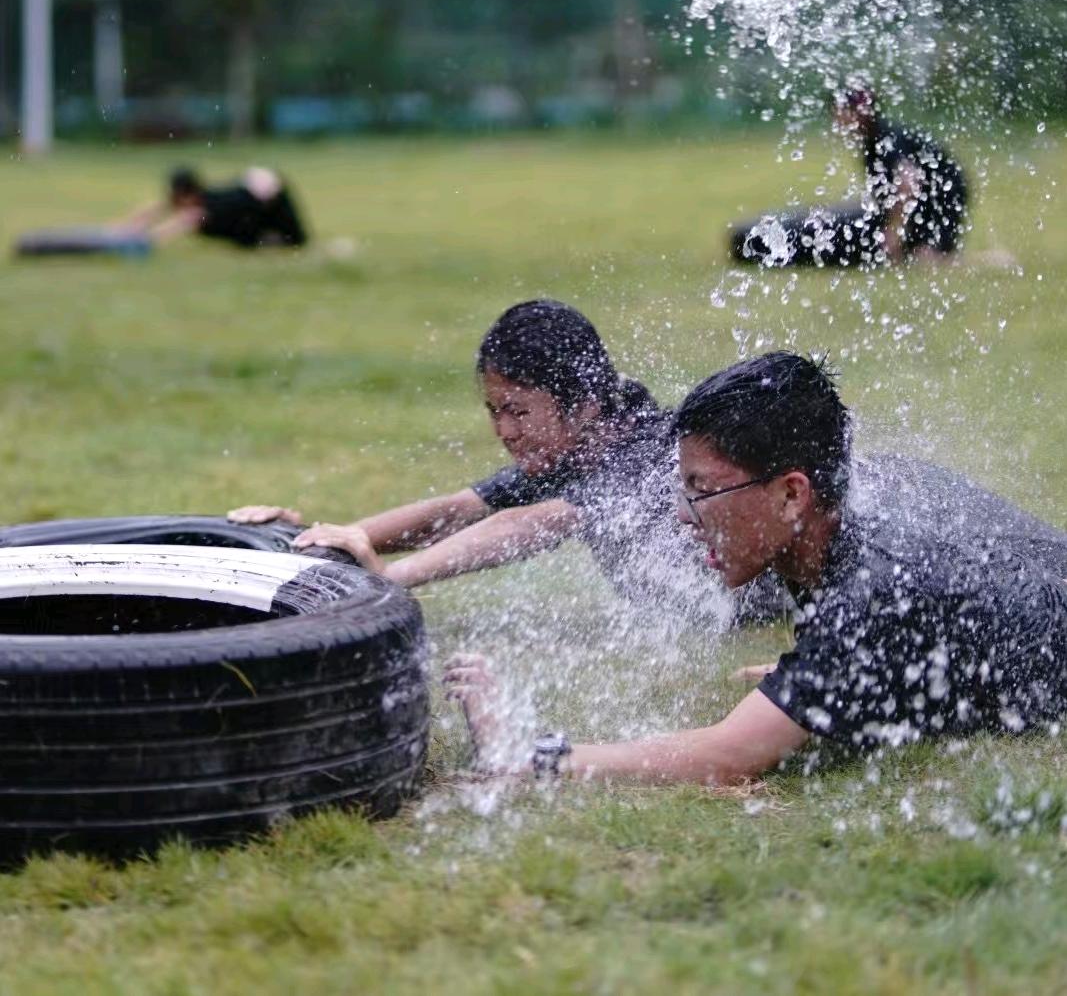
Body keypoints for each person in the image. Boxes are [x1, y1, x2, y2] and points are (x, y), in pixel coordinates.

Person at [446, 352, 1067, 783]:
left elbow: (727, 756)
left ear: (792, 493)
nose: (686, 518)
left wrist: (531, 757)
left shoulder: (871, 592)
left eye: (702, 490)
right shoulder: (850, 504)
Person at [230, 300, 695, 605]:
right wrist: (319, 540)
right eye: (494, 410)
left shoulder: (647, 449)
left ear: (584, 405)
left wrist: (389, 579)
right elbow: (458, 510)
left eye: (517, 411)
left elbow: (533, 522)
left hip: (743, 613)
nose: (503, 431)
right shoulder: (575, 445)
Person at [732, 86, 967, 268]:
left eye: (841, 110)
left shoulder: (885, 140)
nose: (836, 117)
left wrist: (894, 234)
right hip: (939, 200)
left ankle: (961, 257)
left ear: (860, 112)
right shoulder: (878, 136)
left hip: (940, 203)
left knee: (927, 259)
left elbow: (908, 184)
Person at [116, 166, 308, 248]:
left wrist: (141, 242)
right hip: (256, 198)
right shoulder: (203, 198)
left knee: (292, 240)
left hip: (268, 213)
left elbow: (181, 222)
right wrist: (119, 230)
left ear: (189, 195)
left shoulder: (206, 209)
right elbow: (160, 207)